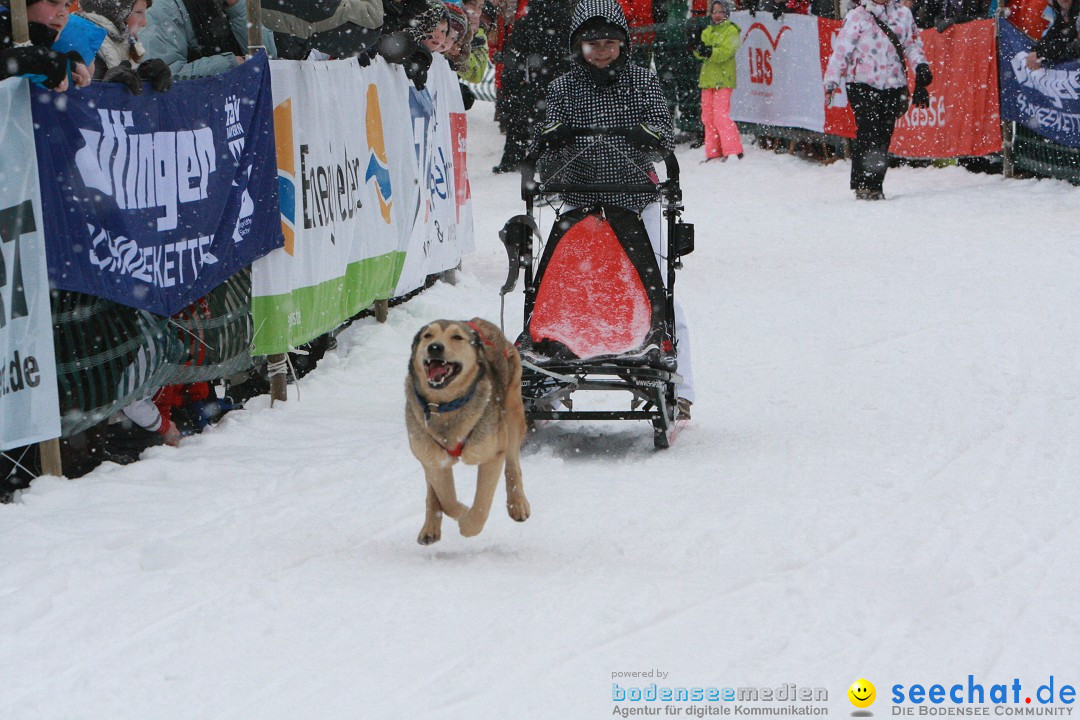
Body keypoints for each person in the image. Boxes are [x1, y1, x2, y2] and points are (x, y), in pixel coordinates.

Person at [534, 0, 695, 418]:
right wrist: (555, 137)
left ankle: (681, 381)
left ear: (623, 44)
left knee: (658, 285)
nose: (602, 51)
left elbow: (662, 132)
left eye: (609, 43)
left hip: (633, 195)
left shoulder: (642, 82)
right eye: (592, 44)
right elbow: (546, 140)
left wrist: (642, 135)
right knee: (562, 278)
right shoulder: (564, 87)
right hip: (580, 194)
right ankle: (555, 349)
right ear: (578, 47)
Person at [823, 0, 931, 200]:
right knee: (868, 132)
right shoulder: (857, 16)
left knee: (883, 136)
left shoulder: (903, 15)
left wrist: (921, 66)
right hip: (862, 83)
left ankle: (875, 183)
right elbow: (841, 52)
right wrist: (831, 81)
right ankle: (864, 184)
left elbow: (911, 45)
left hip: (893, 85)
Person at [492, 0, 572, 173]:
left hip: (534, 82)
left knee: (523, 121)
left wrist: (512, 82)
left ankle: (515, 158)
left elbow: (514, 57)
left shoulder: (527, 22)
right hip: (563, 80)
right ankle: (558, 159)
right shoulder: (570, 21)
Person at [140, 0, 277, 80]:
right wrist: (230, 63)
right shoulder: (161, 7)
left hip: (233, 112)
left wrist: (236, 6)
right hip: (192, 119)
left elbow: (268, 58)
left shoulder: (225, 3)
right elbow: (164, 76)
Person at [78, 0, 173, 92]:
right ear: (116, 13)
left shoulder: (121, 44)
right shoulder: (85, 43)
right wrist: (110, 86)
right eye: (139, 12)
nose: (144, 22)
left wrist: (144, 77)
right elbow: (80, 99)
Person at [1, 0, 92, 91]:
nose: (63, 13)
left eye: (67, 5)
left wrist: (65, 66)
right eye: (53, 1)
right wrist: (39, 60)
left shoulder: (46, 44)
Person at [695, 0, 743, 162]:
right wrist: (698, 47)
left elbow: (726, 52)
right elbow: (700, 53)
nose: (717, 15)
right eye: (714, 12)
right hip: (707, 79)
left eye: (720, 11)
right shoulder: (708, 31)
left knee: (721, 116)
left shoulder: (731, 31)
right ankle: (713, 151)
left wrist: (709, 51)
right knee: (707, 117)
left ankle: (733, 150)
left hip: (723, 79)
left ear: (726, 13)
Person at [1026, 0, 1079, 69]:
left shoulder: (1076, 11)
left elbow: (1068, 40)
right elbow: (1053, 33)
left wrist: (1040, 55)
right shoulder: (1062, 11)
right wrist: (1035, 51)